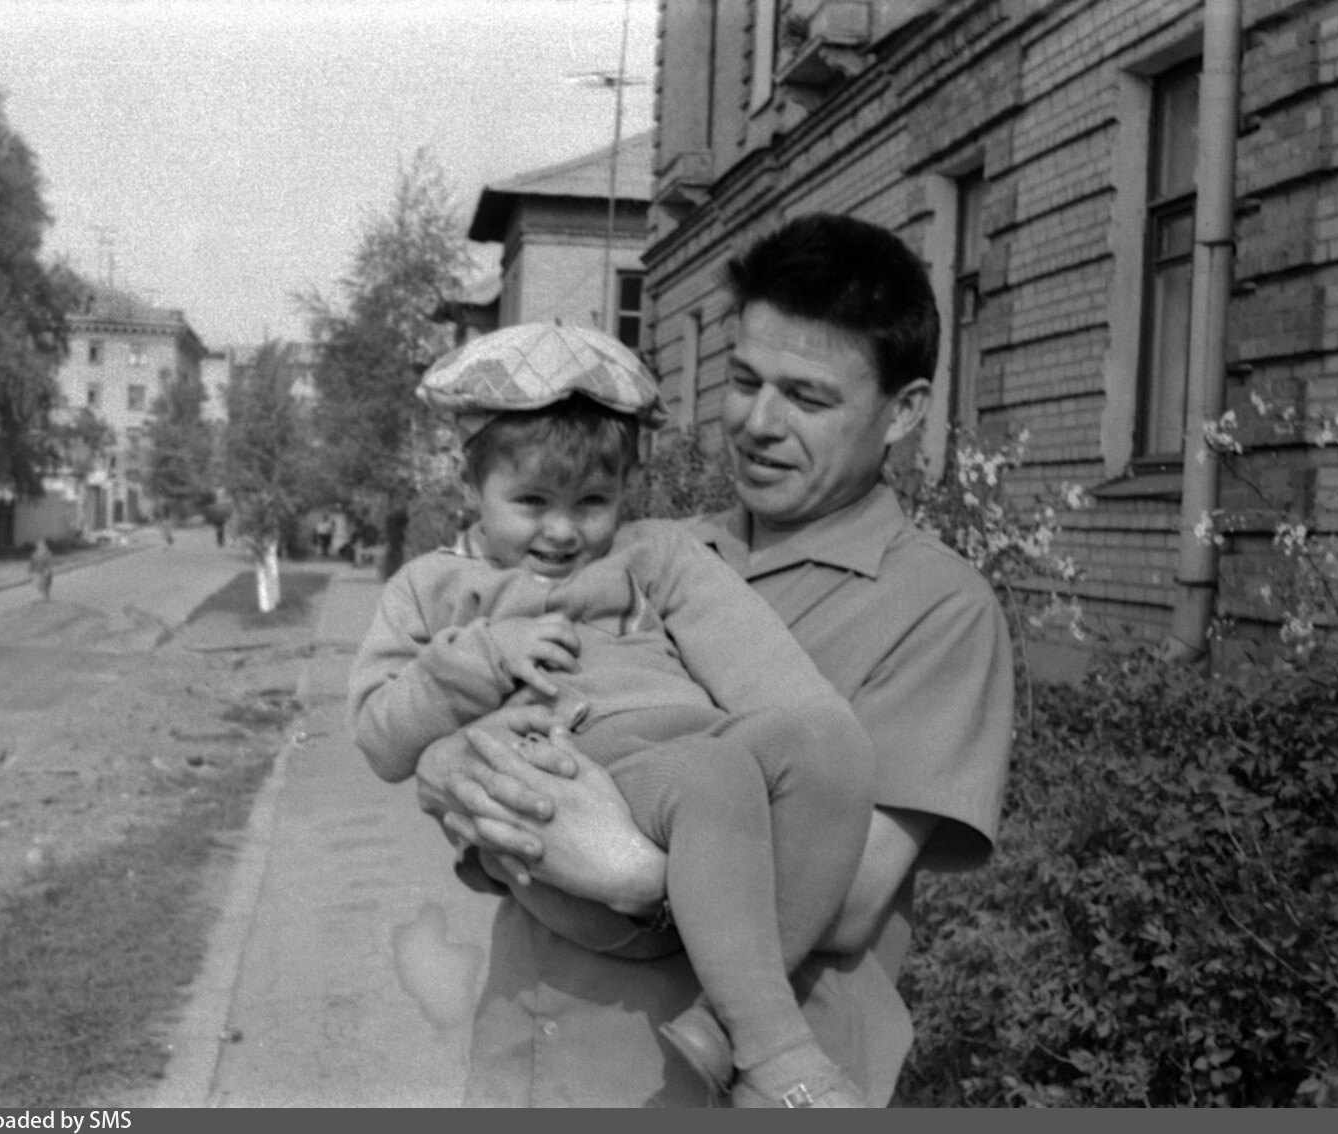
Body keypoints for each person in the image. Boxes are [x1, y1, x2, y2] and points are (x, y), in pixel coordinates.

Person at [413, 214, 1016, 1107]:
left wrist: (629, 871)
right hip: (531, 1053)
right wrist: (449, 763)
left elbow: (848, 897)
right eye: (742, 381)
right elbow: (489, 728)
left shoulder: (936, 609)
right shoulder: (637, 551)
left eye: (806, 398)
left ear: (905, 411)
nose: (757, 423)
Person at [347, 321, 878, 1106]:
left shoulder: (651, 556)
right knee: (715, 773)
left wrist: (796, 759)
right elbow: (379, 736)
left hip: (689, 772)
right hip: (576, 800)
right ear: (469, 488)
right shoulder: (432, 586)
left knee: (831, 742)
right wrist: (479, 660)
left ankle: (723, 1022)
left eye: (592, 502)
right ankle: (777, 1054)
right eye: (531, 502)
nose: (563, 531)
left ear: (624, 490)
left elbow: (780, 690)